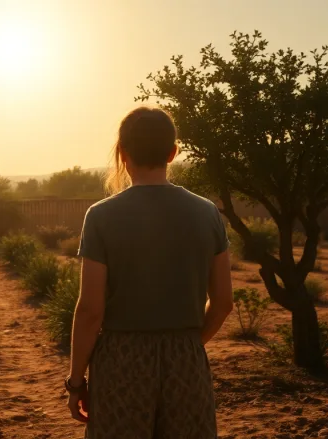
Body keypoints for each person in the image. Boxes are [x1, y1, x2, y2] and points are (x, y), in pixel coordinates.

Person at [65, 107, 234, 438]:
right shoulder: (207, 213)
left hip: (120, 361)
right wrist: (186, 343)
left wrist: (76, 382)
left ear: (123, 153)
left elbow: (90, 311)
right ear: (173, 153)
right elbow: (224, 301)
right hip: (187, 359)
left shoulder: (101, 216)